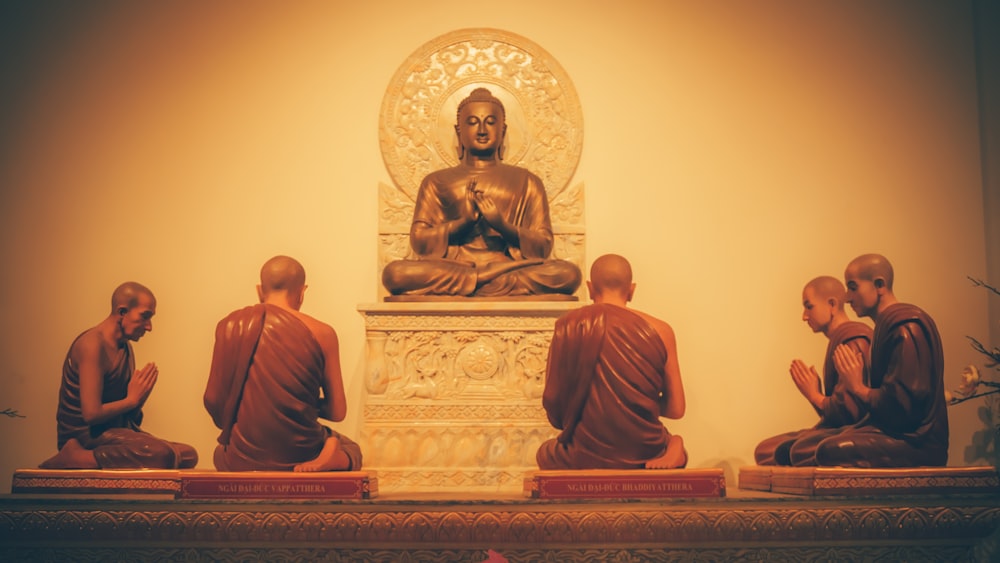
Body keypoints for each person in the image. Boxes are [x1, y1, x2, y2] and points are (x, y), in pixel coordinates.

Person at [381, 87, 582, 298]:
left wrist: (502, 226)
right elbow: (420, 242)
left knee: (567, 274)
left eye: (490, 122)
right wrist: (463, 223)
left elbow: (543, 246)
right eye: (473, 122)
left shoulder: (528, 181)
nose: (482, 130)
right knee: (395, 274)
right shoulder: (436, 181)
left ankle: (477, 281)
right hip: (455, 267)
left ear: (502, 131)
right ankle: (480, 279)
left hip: (508, 268)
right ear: (459, 132)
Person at [204, 255, 362, 472]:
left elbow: (212, 399)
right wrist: (299, 403)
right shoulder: (323, 333)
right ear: (302, 292)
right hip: (304, 453)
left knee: (219, 452)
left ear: (260, 290)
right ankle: (330, 455)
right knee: (350, 448)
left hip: (242, 458)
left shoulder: (231, 325)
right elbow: (337, 411)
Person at [536, 254, 686, 469]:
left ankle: (672, 444)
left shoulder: (569, 325)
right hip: (645, 451)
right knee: (664, 442)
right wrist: (640, 401)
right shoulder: (662, 330)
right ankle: (674, 444)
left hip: (583, 454)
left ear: (589, 288)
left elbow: (553, 402)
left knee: (546, 452)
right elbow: (676, 409)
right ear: (631, 290)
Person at [39, 282, 198, 469]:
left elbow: (128, 418)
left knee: (187, 454)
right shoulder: (92, 345)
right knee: (162, 454)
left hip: (113, 432)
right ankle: (74, 457)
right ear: (122, 312)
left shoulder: (125, 347)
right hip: (85, 436)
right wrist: (131, 400)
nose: (149, 327)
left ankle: (88, 458)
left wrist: (138, 401)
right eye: (144, 316)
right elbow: (91, 414)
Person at [816, 254, 949, 467]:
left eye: (853, 288)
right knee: (800, 449)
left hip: (915, 440)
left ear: (879, 285)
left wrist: (858, 388)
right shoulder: (883, 330)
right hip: (887, 429)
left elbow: (903, 408)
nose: (848, 298)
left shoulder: (906, 328)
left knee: (828, 451)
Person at [753, 276, 872, 466]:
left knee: (794, 451)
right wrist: (814, 395)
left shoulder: (853, 341)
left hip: (854, 433)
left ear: (832, 305)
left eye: (809, 306)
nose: (804, 316)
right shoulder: (840, 341)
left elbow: (850, 415)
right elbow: (834, 416)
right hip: (837, 431)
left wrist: (813, 394)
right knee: (765, 450)